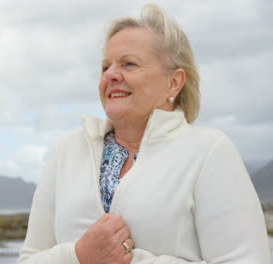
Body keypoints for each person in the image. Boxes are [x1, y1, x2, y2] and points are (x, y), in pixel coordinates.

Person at [17, 3, 271, 264]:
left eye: (129, 64)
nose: (111, 75)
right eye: (106, 67)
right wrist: (78, 257)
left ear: (174, 82)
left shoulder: (210, 151)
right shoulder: (66, 151)